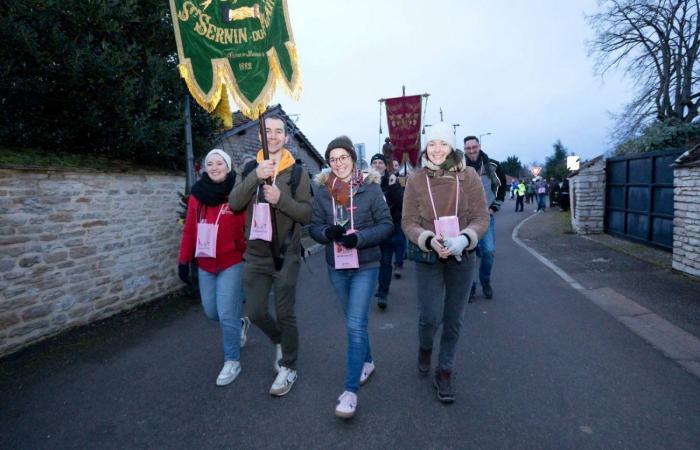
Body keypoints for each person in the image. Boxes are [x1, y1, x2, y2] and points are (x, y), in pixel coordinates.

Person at [402, 122, 490, 403]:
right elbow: (408, 222)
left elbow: (481, 218)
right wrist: (428, 239)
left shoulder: (470, 176)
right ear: (426, 147)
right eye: (432, 144)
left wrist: (465, 239)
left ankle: (445, 370)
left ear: (451, 147)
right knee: (429, 317)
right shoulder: (416, 179)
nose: (437, 149)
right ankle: (425, 347)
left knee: (454, 319)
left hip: (462, 256)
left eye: (442, 144)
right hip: (429, 255)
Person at [309, 137, 393, 419]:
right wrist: (325, 234)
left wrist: (360, 239)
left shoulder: (370, 187)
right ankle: (367, 360)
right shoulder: (321, 191)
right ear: (328, 163)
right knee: (352, 321)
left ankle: (349, 391)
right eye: (333, 159)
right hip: (337, 266)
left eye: (343, 157)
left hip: (366, 265)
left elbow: (386, 225)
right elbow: (314, 226)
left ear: (353, 159)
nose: (339, 163)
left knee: (355, 324)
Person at [229, 114, 312, 397]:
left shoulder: (297, 172)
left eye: (279, 131)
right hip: (256, 254)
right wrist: (255, 176)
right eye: (269, 131)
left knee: (286, 312)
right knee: (255, 311)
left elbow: (306, 213)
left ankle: (289, 365)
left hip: (286, 253)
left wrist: (281, 200)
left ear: (286, 137)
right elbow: (235, 202)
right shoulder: (251, 166)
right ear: (261, 135)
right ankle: (278, 339)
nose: (274, 136)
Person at [178, 149, 247, 386]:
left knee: (226, 312)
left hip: (231, 262)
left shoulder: (237, 194)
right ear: (205, 168)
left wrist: (245, 252)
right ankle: (239, 325)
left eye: (220, 163)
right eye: (210, 163)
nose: (215, 167)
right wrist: (183, 260)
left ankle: (232, 361)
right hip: (205, 263)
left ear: (228, 167)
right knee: (211, 311)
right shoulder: (197, 195)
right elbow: (189, 229)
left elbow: (245, 228)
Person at [463, 136, 506, 301]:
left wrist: (494, 207)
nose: (472, 151)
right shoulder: (460, 167)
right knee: (468, 253)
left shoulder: (493, 165)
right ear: (464, 149)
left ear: (479, 146)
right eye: (468, 148)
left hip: (485, 216)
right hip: (466, 218)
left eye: (474, 147)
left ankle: (485, 280)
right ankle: (470, 287)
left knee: (488, 251)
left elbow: (502, 187)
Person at [369, 153, 404, 309]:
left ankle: (383, 293)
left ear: (385, 166)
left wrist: (394, 187)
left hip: (389, 228)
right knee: (373, 262)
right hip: (371, 229)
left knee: (385, 260)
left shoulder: (393, 180)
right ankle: (379, 286)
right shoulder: (365, 182)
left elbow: (402, 203)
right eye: (374, 162)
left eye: (380, 163)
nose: (377, 165)